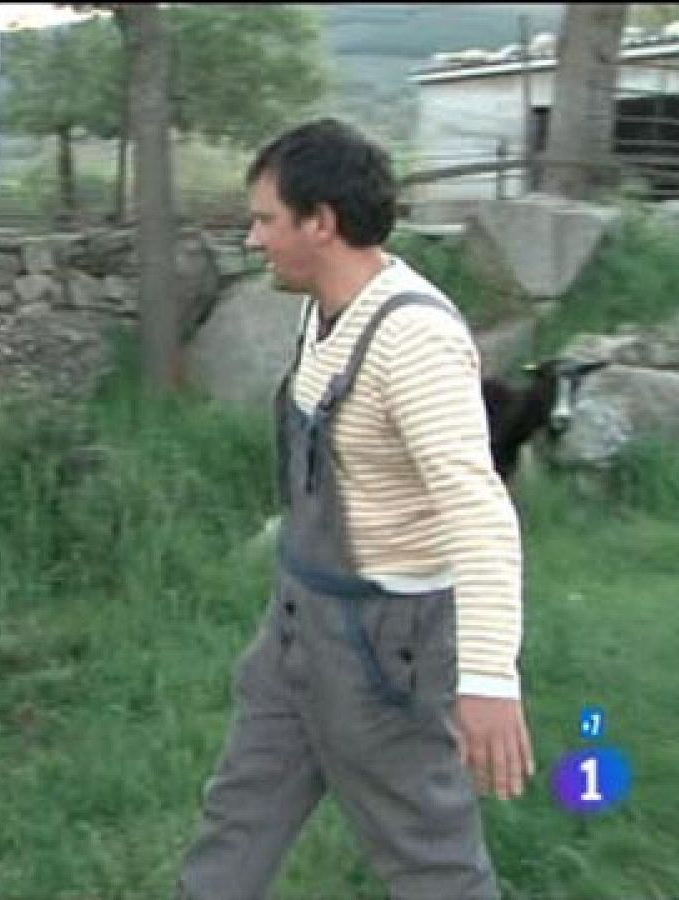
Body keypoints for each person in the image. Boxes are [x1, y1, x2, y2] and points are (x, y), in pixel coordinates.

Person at [175, 117, 534, 900]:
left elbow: (479, 512)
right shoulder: (322, 309)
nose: (254, 238)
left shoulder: (413, 340)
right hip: (298, 620)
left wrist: (487, 678)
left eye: (267, 219)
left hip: (384, 652)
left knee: (431, 861)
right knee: (237, 821)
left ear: (322, 222)